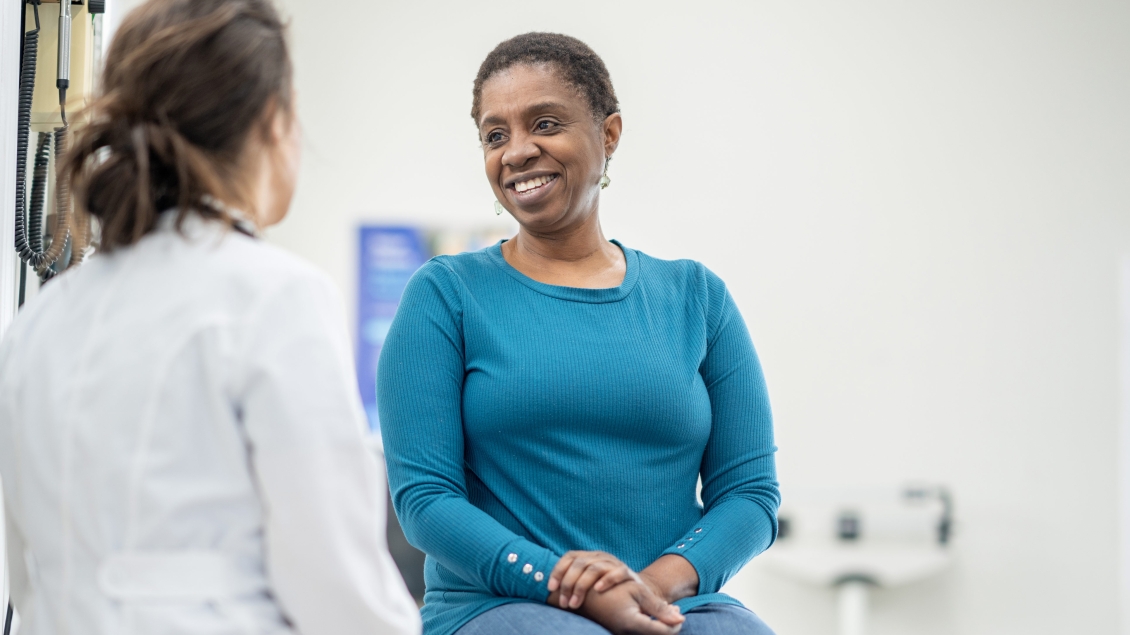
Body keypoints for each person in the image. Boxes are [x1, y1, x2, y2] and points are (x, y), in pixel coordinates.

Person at [0, 1, 421, 634]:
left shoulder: (41, 321)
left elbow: (28, 576)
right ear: (273, 123)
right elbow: (338, 593)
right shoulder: (275, 296)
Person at [377, 33, 779, 635]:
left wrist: (650, 584)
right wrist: (566, 585)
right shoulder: (446, 295)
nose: (516, 152)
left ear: (608, 134)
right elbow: (426, 501)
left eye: (544, 123)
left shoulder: (695, 297)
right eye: (494, 135)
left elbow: (749, 492)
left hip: (672, 601)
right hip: (499, 604)